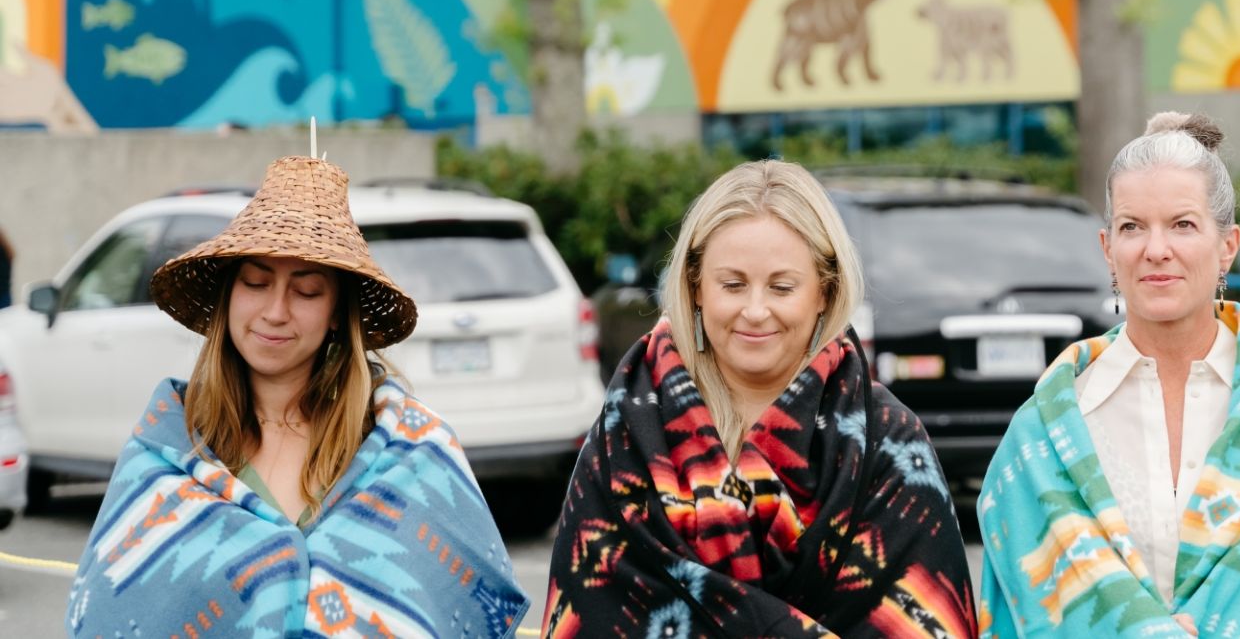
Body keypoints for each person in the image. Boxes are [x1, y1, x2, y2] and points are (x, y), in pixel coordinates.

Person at [68, 155, 527, 636]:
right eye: (255, 282)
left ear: (336, 312)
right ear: (228, 295)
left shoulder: (412, 451)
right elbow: (112, 612)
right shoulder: (169, 448)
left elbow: (470, 604)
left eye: (307, 291)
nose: (275, 311)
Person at [542, 160, 976, 638]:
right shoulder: (624, 433)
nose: (754, 310)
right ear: (695, 287)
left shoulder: (887, 443)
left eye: (782, 287)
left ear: (824, 294)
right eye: (732, 285)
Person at [978, 112, 1240, 637]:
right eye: (1132, 227)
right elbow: (1022, 601)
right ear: (1108, 249)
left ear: (1228, 245)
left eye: (1182, 224)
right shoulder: (1048, 428)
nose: (1156, 249)